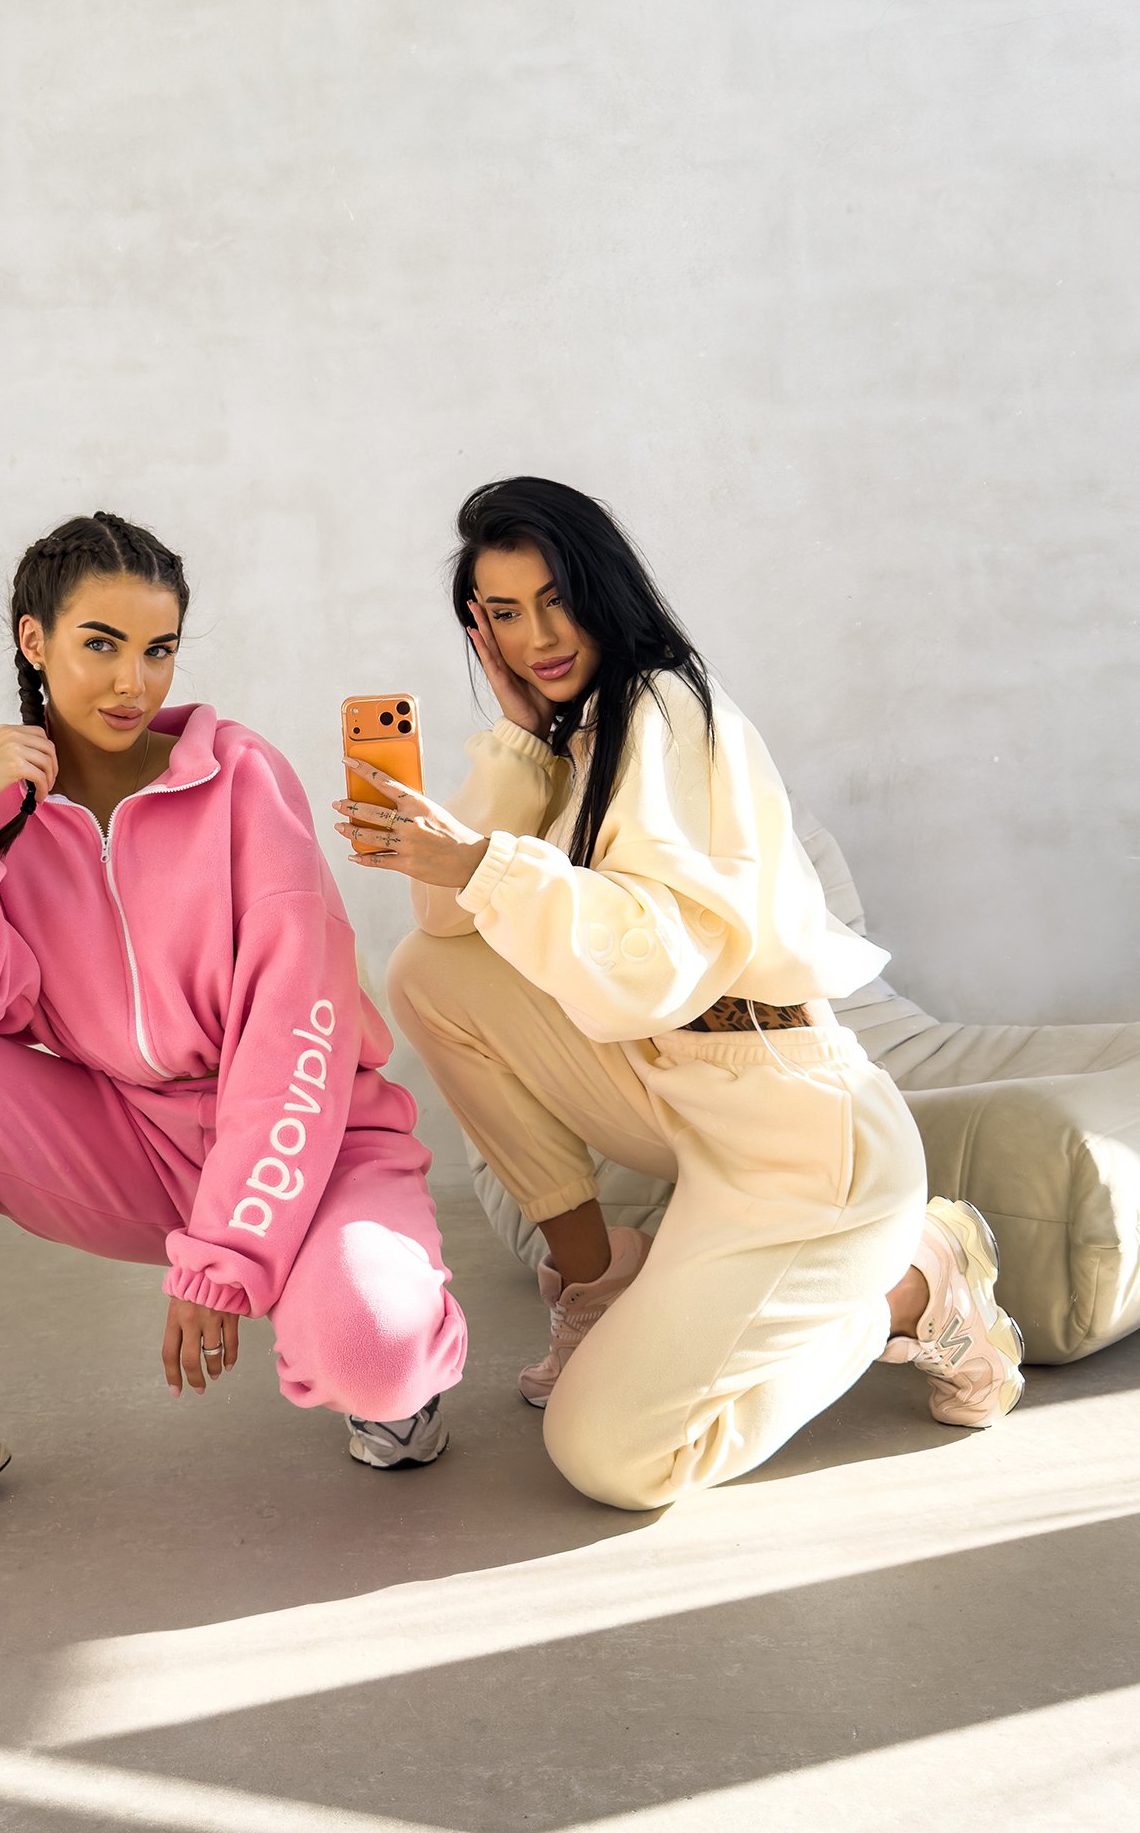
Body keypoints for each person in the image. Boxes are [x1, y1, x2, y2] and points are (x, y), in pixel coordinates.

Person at [0, 512, 465, 1563]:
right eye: (100, 643)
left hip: (312, 1140)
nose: (132, 680)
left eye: (158, 648)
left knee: (376, 1358)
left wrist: (226, 1256)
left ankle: (387, 1342)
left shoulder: (241, 781)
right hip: (133, 1140)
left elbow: (297, 1031)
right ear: (33, 640)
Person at [334, 475, 1023, 1513]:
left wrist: (481, 861)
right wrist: (518, 745)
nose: (537, 637)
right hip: (677, 1096)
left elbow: (664, 957)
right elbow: (444, 928)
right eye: (506, 614)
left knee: (609, 1459)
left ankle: (918, 1284)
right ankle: (595, 1285)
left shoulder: (667, 706)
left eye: (555, 599)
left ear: (602, 586)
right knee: (426, 975)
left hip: (798, 1137)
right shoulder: (574, 737)